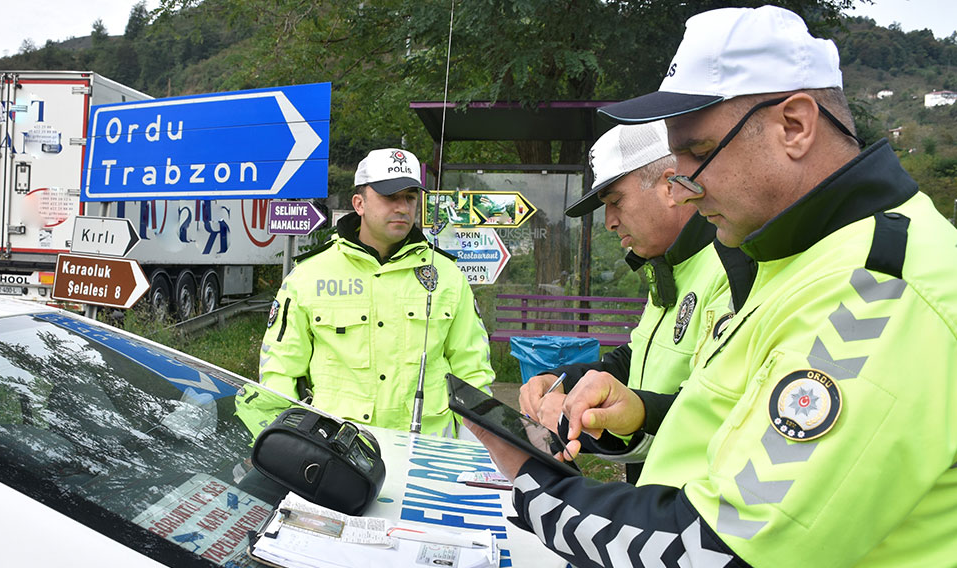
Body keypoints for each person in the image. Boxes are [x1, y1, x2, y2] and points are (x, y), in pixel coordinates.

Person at [467, 5, 957, 566]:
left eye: (698, 154)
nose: (681, 187)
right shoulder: (794, 259)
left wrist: (533, 480)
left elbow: (717, 550)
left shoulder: (878, 289)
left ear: (794, 125)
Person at [519, 121, 748, 484]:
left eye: (616, 201)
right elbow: (635, 357)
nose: (609, 222)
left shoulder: (735, 267)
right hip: (655, 497)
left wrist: (635, 413)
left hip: (697, 507)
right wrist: (563, 381)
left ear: (670, 186)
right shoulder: (669, 266)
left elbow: (721, 410)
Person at [257, 148, 495, 436]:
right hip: (338, 453)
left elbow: (473, 372)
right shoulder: (309, 275)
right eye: (389, 197)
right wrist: (286, 445)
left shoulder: (446, 274)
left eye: (409, 197)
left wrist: (474, 452)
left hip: (428, 452)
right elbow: (280, 371)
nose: (402, 207)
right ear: (359, 203)